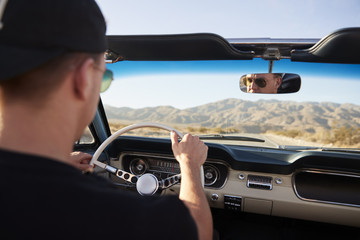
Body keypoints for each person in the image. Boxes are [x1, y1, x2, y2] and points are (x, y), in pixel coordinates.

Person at [0, 0, 212, 239]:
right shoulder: (103, 212)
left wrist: (57, 164)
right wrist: (191, 165)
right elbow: (199, 230)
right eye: (103, 79)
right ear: (83, 80)